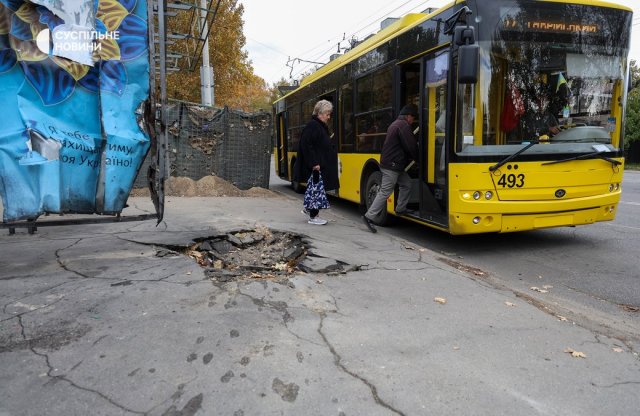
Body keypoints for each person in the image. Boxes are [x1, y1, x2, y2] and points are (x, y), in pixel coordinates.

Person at [362, 104, 419, 233]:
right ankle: (369, 217)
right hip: (392, 165)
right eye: (413, 118)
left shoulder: (395, 124)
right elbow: (410, 145)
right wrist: (418, 158)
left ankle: (400, 209)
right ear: (408, 116)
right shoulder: (403, 126)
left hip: (394, 164)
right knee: (385, 191)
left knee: (406, 184)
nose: (413, 121)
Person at [295, 99, 339, 225]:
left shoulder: (318, 125)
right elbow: (306, 145)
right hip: (316, 166)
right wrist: (314, 163)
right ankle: (314, 217)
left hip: (318, 165)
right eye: (327, 114)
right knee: (316, 191)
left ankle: (310, 211)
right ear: (320, 113)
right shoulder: (314, 126)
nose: (329, 117)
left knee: (315, 190)